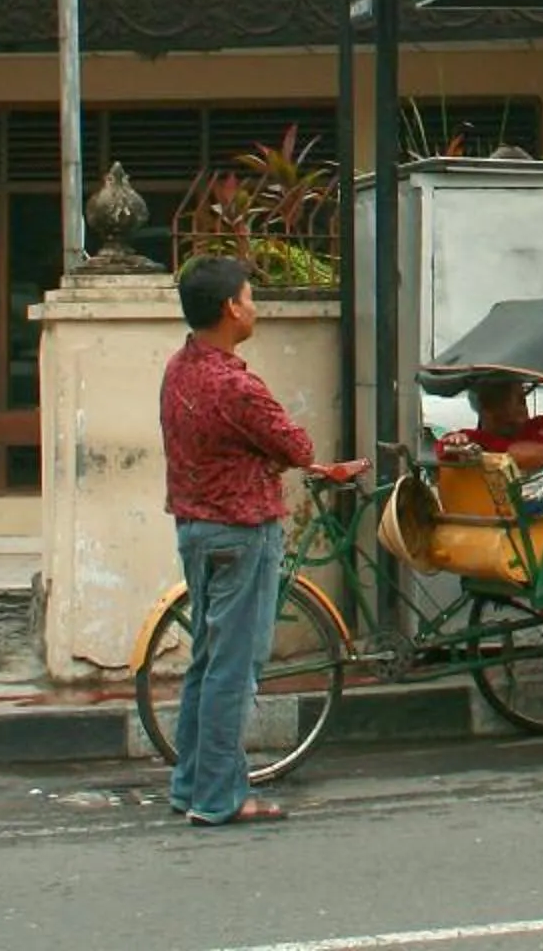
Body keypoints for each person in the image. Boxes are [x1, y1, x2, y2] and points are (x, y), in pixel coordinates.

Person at [159, 255, 364, 827]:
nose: (255, 306)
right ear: (230, 308)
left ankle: (190, 783)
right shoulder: (236, 384)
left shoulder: (180, 369)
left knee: (207, 662)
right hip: (241, 531)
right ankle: (219, 796)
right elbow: (296, 446)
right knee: (233, 670)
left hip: (196, 529)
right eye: (249, 296)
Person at [463, 376, 543, 471]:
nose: (523, 408)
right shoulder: (471, 439)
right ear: (489, 410)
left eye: (523, 400)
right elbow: (517, 454)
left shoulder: (542, 424)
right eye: (520, 401)